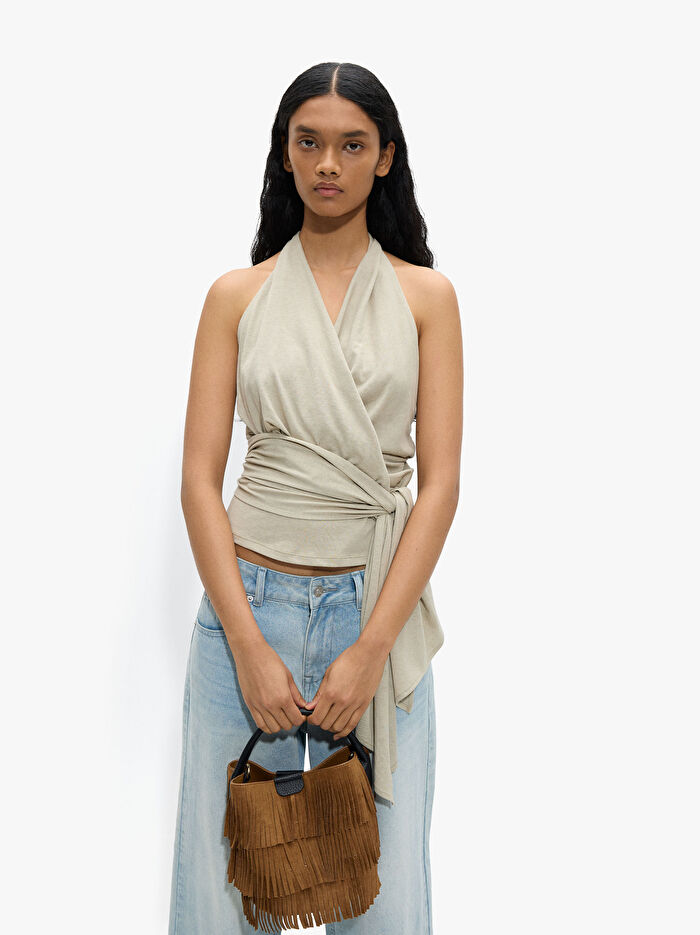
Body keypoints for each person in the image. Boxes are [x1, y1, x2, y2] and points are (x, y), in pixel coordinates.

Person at [168, 61, 463, 934]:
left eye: (352, 144)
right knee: (219, 892)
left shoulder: (427, 297)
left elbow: (441, 484)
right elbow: (198, 479)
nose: (329, 163)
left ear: (385, 157)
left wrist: (370, 648)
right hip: (246, 609)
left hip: (375, 611)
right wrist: (248, 645)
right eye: (310, 142)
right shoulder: (236, 296)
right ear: (286, 153)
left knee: (387, 896)